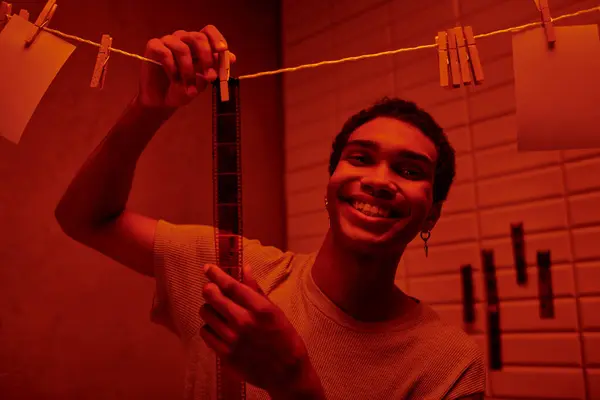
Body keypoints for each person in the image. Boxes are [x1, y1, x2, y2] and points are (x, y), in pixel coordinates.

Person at [55, 25, 485, 400]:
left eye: (409, 170)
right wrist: (147, 109)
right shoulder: (229, 270)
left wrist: (293, 381)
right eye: (359, 158)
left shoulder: (450, 365)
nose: (378, 179)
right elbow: (84, 219)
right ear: (329, 188)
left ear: (431, 214)